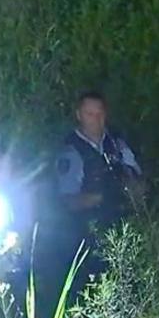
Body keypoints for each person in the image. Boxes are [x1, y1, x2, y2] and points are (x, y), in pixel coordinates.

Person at [47, 91, 144, 299]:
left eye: (99, 114)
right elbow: (67, 201)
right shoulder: (70, 153)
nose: (95, 119)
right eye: (89, 114)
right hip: (86, 234)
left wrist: (130, 190)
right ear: (79, 115)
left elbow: (138, 181)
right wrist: (102, 197)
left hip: (122, 228)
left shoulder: (117, 145)